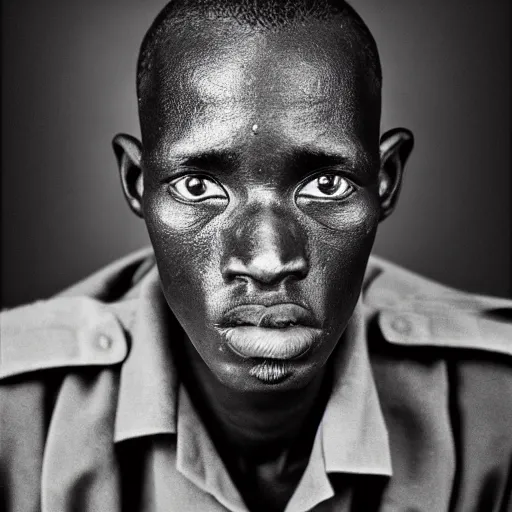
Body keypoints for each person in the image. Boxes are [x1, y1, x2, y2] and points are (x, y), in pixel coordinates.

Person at [1, 1, 511, 511]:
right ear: (138, 182)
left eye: (327, 184)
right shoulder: (16, 416)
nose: (268, 260)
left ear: (384, 181)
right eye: (198, 186)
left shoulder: (499, 409)